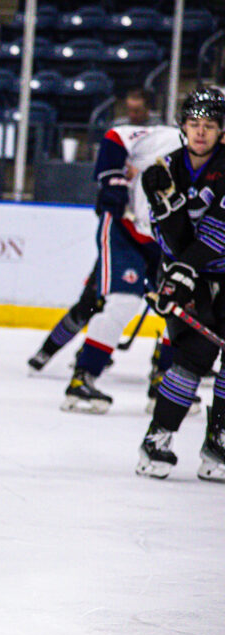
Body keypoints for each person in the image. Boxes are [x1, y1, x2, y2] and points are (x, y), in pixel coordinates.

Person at [43, 123, 182, 413]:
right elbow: (115, 135)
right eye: (198, 125)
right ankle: (83, 379)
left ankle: (165, 384)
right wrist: (114, 181)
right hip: (125, 229)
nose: (204, 133)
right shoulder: (168, 140)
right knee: (122, 302)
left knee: (181, 309)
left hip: (168, 240)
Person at [137, 87, 225, 481]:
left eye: (209, 126)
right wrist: (166, 206)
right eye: (194, 124)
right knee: (191, 359)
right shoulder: (163, 169)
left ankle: (218, 444)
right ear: (183, 126)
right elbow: (170, 240)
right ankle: (157, 441)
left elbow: (217, 233)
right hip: (183, 274)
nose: (201, 132)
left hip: (213, 272)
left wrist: (183, 272)